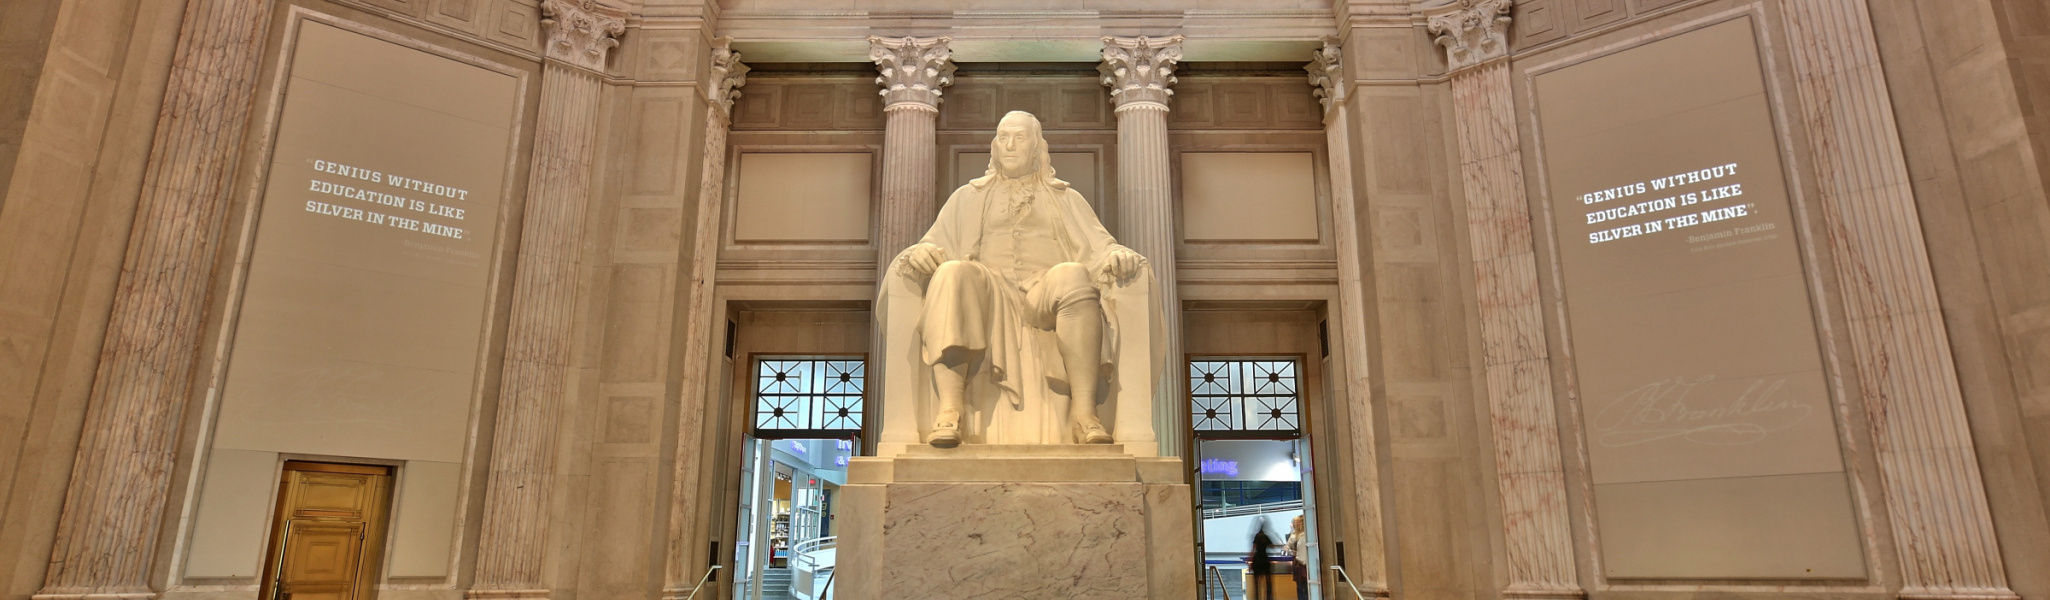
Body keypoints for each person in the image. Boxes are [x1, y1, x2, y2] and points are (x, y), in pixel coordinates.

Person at [893, 110, 1147, 446]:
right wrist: (918, 253)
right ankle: (950, 410)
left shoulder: (1065, 198)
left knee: (1073, 274)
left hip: (1046, 291)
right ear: (994, 146)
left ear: (1037, 148)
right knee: (952, 272)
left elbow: (1100, 249)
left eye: (1020, 137)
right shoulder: (967, 197)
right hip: (988, 292)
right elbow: (933, 244)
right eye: (1003, 137)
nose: (1010, 145)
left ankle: (1085, 415)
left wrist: (1117, 255)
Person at [1250, 516, 1276, 600]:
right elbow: (1272, 546)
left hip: (1257, 559)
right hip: (1264, 558)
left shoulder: (1257, 536)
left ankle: (1257, 597)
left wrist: (1250, 561)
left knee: (1257, 583)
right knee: (1268, 582)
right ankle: (1268, 597)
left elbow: (1253, 549)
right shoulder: (1266, 536)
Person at [1287, 515, 1309, 600]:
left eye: (1296, 523)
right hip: (1299, 565)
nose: (1294, 524)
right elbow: (1287, 546)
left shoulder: (1304, 536)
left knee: (1303, 588)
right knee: (1301, 588)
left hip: (1302, 564)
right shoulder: (1295, 535)